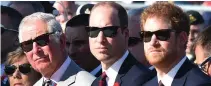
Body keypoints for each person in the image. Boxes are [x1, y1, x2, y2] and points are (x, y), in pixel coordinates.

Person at [141, 2, 211, 86]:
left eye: (162, 34)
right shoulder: (145, 83)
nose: (152, 42)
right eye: (147, 35)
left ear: (182, 38)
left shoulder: (201, 83)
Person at [18, 12, 95, 86]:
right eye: (27, 45)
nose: (35, 50)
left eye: (41, 41)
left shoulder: (88, 83)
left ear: (61, 41)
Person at [88, 2, 154, 86]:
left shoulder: (143, 80)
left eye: (109, 31)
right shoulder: (95, 82)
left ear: (126, 34)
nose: (100, 39)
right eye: (94, 31)